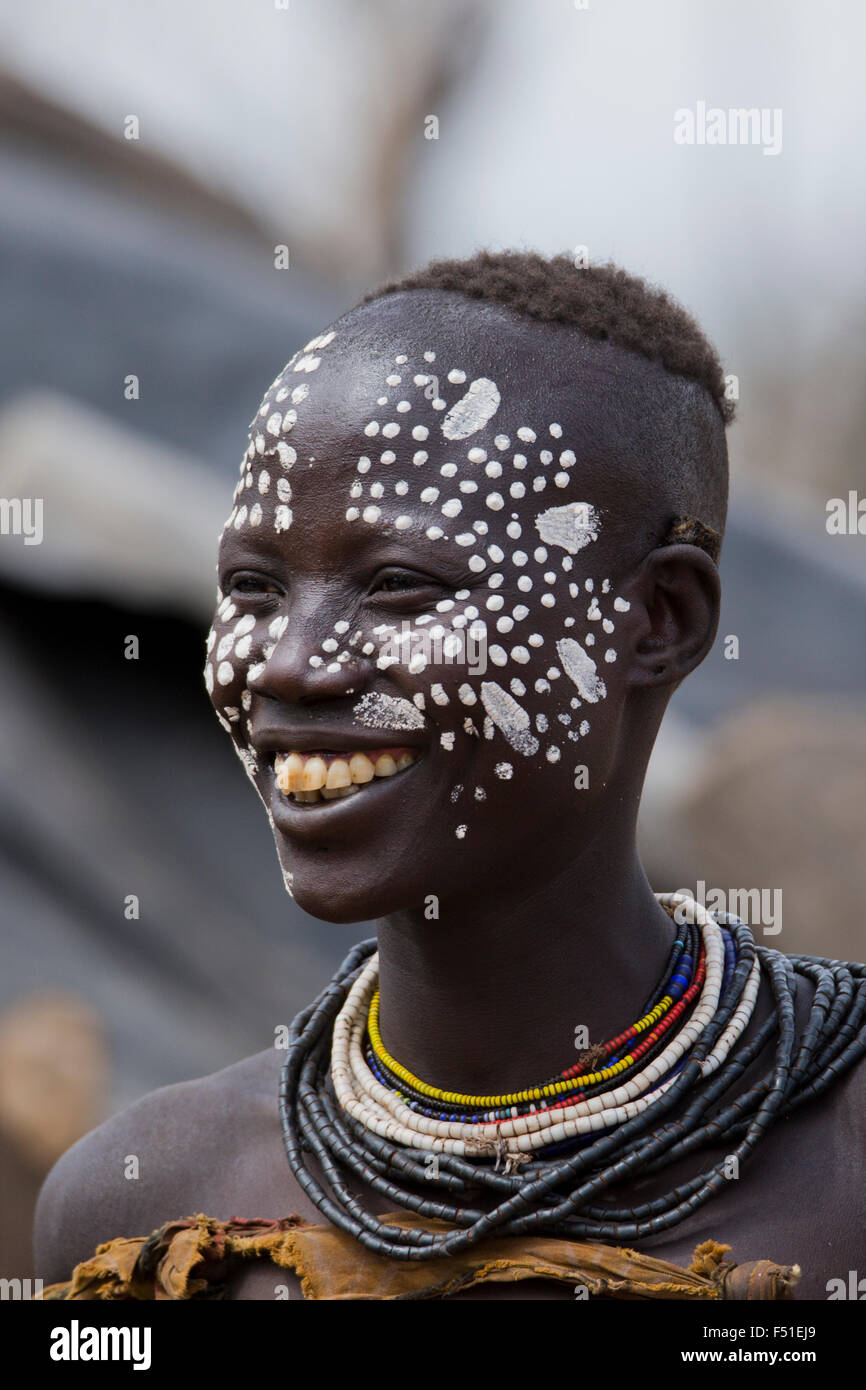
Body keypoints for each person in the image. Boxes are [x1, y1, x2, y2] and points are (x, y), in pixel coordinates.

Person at [34, 252, 866, 1300]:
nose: (290, 661)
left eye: (395, 587)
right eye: (253, 585)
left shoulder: (836, 1154)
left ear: (658, 620)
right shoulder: (146, 1215)